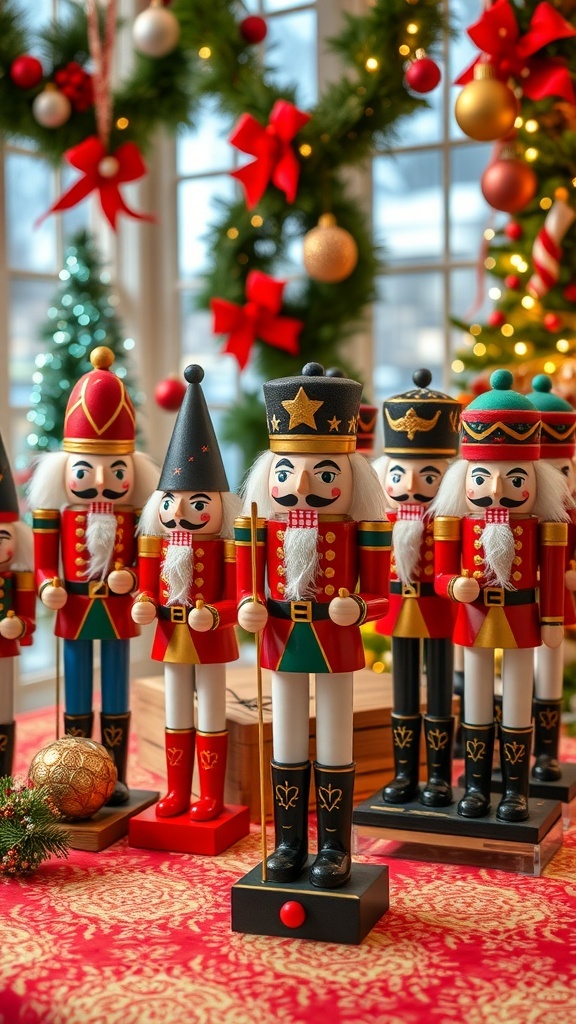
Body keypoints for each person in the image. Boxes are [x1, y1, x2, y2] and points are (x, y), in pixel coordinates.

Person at [236, 362, 390, 889]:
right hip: (281, 636)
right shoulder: (259, 526)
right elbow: (245, 585)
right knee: (286, 739)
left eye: (325, 473)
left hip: (334, 638)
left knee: (335, 738)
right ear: (268, 475)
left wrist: (362, 609)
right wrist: (248, 606)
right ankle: (287, 843)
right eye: (286, 472)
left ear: (350, 477)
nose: (302, 485)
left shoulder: (364, 527)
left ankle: (333, 848)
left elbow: (381, 595)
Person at [429, 370, 570, 822]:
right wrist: (454, 586)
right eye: (482, 479)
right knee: (474, 699)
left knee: (516, 701)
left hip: (523, 616)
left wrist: (550, 621)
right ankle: (474, 786)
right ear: (463, 480)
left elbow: (549, 577)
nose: (495, 492)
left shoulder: (545, 526)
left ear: (534, 480)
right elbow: (440, 574)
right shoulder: (454, 522)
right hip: (472, 619)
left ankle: (515, 791)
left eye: (512, 479)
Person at [28, 347, 158, 804]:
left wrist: (136, 579)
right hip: (77, 607)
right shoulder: (54, 514)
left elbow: (149, 563)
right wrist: (48, 584)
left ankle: (116, 776)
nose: (101, 479)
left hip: (117, 609)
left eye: (115, 470)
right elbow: (45, 562)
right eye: (87, 470)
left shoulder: (137, 514)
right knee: (79, 691)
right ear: (66, 471)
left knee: (117, 690)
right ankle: (76, 776)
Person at [132, 365, 240, 820]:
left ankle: (211, 796)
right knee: (177, 710)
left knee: (212, 710)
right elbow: (144, 590)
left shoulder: (228, 547)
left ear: (219, 506)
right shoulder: (154, 545)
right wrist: (141, 602)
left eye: (198, 504)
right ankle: (177, 792)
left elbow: (238, 599)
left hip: (211, 638)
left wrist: (215, 615)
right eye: (171, 503)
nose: (182, 513)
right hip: (170, 636)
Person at [373, 368, 460, 806]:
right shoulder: (383, 521)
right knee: (403, 689)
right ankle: (405, 772)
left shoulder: (450, 523)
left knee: (441, 688)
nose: (410, 486)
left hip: (439, 606)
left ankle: (440, 776)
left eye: (428, 476)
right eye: (399, 475)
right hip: (395, 606)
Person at [526, 374, 576, 782]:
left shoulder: (570, 513)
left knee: (552, 666)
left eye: (564, 469)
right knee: (522, 665)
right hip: (523, 599)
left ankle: (546, 752)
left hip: (559, 596)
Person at [0, 430, 35, 777]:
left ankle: (4, 783)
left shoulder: (19, 578)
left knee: (4, 710)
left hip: (5, 653)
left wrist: (20, 625)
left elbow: (30, 620)